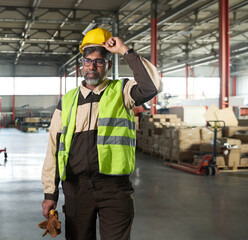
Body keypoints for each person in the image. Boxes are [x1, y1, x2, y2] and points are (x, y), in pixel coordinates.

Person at [41, 27, 161, 240]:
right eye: (88, 61)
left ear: (109, 65)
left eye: (99, 61)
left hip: (114, 189)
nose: (92, 67)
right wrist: (50, 194)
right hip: (76, 189)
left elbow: (152, 86)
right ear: (81, 65)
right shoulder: (67, 101)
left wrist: (125, 50)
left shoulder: (123, 91)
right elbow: (53, 148)